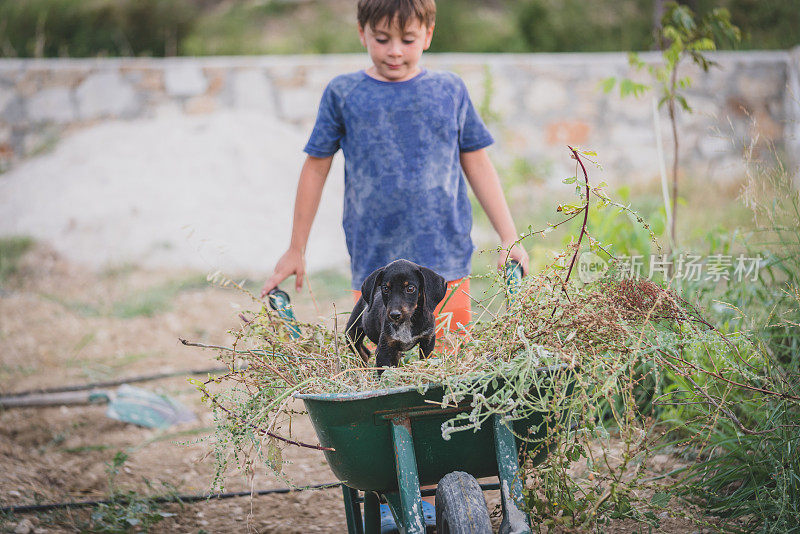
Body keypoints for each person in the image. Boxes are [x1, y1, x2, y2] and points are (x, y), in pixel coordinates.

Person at [260, 0, 529, 333]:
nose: (395, 51)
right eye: (382, 39)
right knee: (384, 366)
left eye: (408, 39)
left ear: (428, 35)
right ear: (362, 33)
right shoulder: (344, 94)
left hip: (444, 260)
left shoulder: (450, 90)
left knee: (447, 365)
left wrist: (509, 236)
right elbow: (315, 169)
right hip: (377, 269)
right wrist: (295, 249)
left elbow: (476, 162)